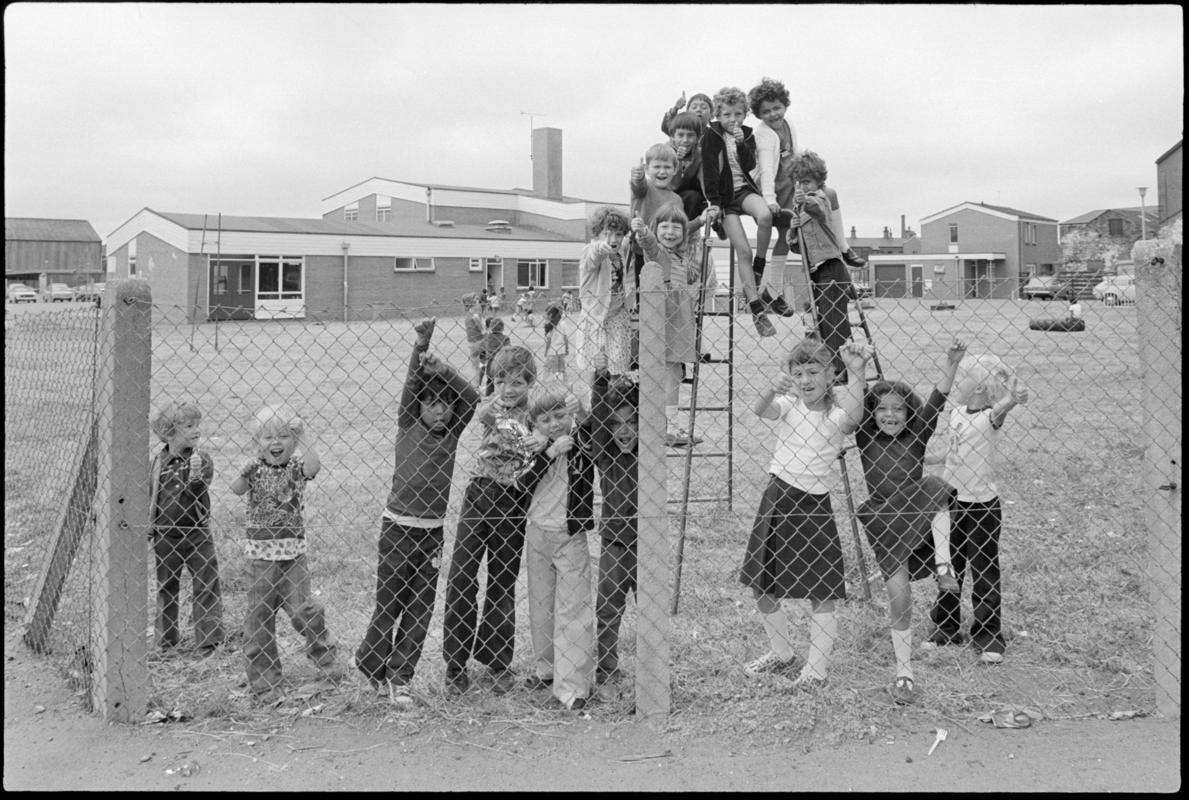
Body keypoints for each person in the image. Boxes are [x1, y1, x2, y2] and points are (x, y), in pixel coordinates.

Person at [353, 319, 480, 707]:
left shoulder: (452, 434)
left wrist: (445, 370)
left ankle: (401, 676)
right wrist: (421, 345)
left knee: (420, 609)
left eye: (446, 404)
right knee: (389, 604)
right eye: (431, 403)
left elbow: (472, 397)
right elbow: (411, 387)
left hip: (431, 535)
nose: (440, 411)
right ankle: (371, 663)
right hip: (397, 530)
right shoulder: (408, 423)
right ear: (418, 407)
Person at [738, 339, 869, 688]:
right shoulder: (789, 404)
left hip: (813, 506)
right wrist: (772, 388)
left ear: (830, 375)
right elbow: (760, 410)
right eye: (798, 374)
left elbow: (853, 419)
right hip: (777, 498)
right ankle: (781, 654)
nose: (805, 380)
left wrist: (857, 372)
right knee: (762, 585)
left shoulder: (835, 414)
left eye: (813, 372)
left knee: (821, 591)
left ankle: (816, 670)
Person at [853, 340, 967, 706]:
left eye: (898, 408)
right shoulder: (865, 435)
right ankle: (904, 671)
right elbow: (856, 405)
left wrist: (951, 364)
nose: (889, 415)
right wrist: (857, 368)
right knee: (899, 597)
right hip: (885, 522)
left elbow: (936, 401)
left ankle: (944, 565)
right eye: (882, 409)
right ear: (872, 414)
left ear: (909, 412)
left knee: (934, 486)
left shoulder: (917, 435)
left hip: (916, 511)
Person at [441, 345, 541, 695]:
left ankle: (497, 661)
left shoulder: (536, 413)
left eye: (517, 382)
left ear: (531, 382)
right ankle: (455, 663)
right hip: (480, 492)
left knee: (502, 580)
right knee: (462, 576)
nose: (508, 389)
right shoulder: (490, 408)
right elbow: (491, 417)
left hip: (513, 500)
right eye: (501, 381)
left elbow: (536, 440)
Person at [230, 404, 343, 706]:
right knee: (259, 620)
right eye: (268, 437)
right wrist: (243, 473)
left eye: (283, 436)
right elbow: (236, 490)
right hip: (260, 560)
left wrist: (303, 434)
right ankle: (265, 683)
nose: (276, 442)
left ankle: (328, 662)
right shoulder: (254, 469)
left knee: (303, 612)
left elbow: (314, 467)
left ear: (292, 442)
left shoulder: (295, 468)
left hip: (292, 558)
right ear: (257, 443)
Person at [920, 354, 1029, 665]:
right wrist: (925, 459)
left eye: (964, 378)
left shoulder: (988, 418)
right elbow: (952, 450)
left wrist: (1013, 397)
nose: (958, 383)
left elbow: (1002, 409)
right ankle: (946, 628)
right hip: (950, 503)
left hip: (981, 507)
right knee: (948, 566)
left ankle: (988, 634)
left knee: (983, 569)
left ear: (979, 387)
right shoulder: (956, 413)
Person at [518, 387, 596, 711]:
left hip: (569, 536)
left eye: (560, 416)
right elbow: (520, 484)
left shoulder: (580, 441)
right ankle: (547, 669)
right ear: (534, 423)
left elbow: (596, 439)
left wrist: (584, 414)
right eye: (545, 419)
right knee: (542, 606)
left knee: (573, 608)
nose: (554, 424)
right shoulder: (530, 446)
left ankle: (573, 687)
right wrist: (548, 452)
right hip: (537, 534)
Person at [630, 203, 714, 447]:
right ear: (656, 229)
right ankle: (669, 428)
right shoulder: (658, 253)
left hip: (679, 317)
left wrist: (704, 245)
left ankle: (670, 427)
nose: (670, 232)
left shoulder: (681, 255)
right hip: (665, 317)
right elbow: (649, 244)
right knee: (669, 374)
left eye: (676, 228)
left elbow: (695, 276)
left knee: (674, 373)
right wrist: (642, 231)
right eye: (664, 227)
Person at [701, 86, 777, 337]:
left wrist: (743, 144)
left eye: (737, 114)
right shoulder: (711, 135)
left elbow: (750, 164)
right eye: (726, 115)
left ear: (744, 114)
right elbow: (709, 170)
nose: (732, 119)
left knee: (765, 216)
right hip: (725, 199)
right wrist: (714, 202)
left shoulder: (747, 134)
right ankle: (756, 309)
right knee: (743, 250)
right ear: (718, 115)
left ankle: (760, 264)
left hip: (743, 190)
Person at [148, 401, 224, 654]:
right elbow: (151, 496)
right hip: (165, 535)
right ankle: (165, 641)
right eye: (189, 426)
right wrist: (150, 527)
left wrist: (196, 479)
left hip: (197, 535)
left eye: (197, 425)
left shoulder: (201, 459)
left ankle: (209, 641)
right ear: (169, 432)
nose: (196, 430)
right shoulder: (157, 463)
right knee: (166, 586)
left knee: (206, 584)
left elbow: (199, 490)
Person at [588, 355, 640, 699]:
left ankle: (652, 670)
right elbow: (599, 417)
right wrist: (600, 377)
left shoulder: (647, 454)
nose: (623, 430)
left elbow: (649, 414)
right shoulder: (606, 455)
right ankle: (607, 672)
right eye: (616, 424)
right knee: (608, 609)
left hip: (647, 542)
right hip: (615, 543)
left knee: (651, 609)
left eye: (631, 422)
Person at [785, 151, 856, 379]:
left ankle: (840, 368)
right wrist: (793, 231)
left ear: (818, 181)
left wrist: (805, 201)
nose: (802, 187)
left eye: (806, 181)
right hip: (815, 273)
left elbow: (817, 208)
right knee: (822, 322)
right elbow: (798, 248)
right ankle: (830, 365)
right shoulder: (798, 209)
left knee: (835, 321)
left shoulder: (821, 199)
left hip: (831, 267)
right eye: (798, 182)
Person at [576, 206, 635, 399]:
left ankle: (615, 400)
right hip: (596, 317)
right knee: (595, 364)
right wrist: (602, 246)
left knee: (618, 363)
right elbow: (594, 256)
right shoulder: (590, 251)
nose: (613, 239)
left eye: (618, 234)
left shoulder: (620, 252)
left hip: (616, 315)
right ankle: (593, 401)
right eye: (607, 233)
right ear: (597, 234)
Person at [668, 111, 710, 228]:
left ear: (697, 138)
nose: (685, 140)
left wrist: (711, 201)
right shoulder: (666, 152)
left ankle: (686, 229)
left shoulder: (699, 155)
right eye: (680, 135)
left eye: (690, 135)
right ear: (673, 137)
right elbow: (672, 185)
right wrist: (678, 162)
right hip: (666, 193)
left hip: (686, 196)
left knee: (695, 196)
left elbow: (703, 180)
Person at [542, 301, 573, 384]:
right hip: (561, 350)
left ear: (551, 315)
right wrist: (567, 349)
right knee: (561, 369)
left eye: (547, 314)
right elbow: (565, 338)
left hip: (552, 351)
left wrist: (546, 351)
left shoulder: (550, 326)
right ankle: (563, 382)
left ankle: (554, 383)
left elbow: (548, 341)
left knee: (552, 369)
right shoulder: (563, 323)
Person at [480, 316, 510, 397]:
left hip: (490, 364)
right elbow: (508, 350)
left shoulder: (486, 338)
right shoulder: (505, 338)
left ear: (491, 328)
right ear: (503, 328)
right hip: (501, 364)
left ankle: (488, 398)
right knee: (503, 381)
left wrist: (482, 361)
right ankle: (504, 396)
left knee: (490, 381)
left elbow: (482, 351)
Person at [463, 293, 486, 388]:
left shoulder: (470, 311)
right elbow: (476, 318)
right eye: (475, 300)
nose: (477, 301)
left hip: (474, 341)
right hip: (478, 341)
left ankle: (477, 385)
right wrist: (483, 330)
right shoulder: (474, 311)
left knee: (478, 365)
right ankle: (477, 385)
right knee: (480, 365)